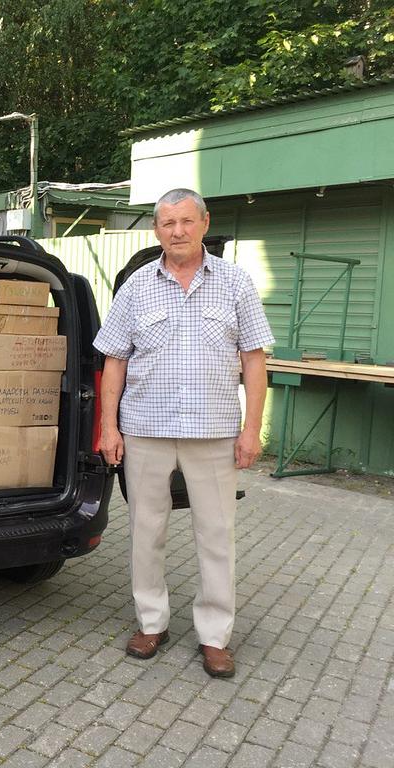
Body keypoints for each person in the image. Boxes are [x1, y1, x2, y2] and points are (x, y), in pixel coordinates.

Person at [93, 188, 274, 678]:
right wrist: (109, 428)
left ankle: (214, 636)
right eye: (168, 223)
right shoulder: (136, 287)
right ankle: (152, 623)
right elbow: (114, 361)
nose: (178, 231)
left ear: (204, 223)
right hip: (145, 431)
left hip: (214, 434)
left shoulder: (235, 283)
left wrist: (251, 429)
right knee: (145, 533)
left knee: (216, 535)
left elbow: (254, 359)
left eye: (187, 221)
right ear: (157, 230)